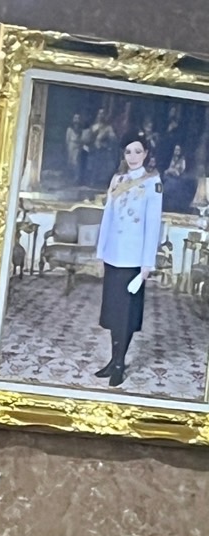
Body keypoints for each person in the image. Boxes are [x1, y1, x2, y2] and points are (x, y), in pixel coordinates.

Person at [95, 132, 163, 387]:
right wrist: (101, 252)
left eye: (137, 151)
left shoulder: (152, 182)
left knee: (126, 315)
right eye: (128, 152)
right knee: (114, 312)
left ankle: (120, 364)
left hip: (134, 260)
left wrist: (147, 264)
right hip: (114, 256)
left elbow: (153, 226)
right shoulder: (118, 179)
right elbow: (108, 217)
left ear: (145, 154)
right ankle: (113, 360)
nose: (133, 157)